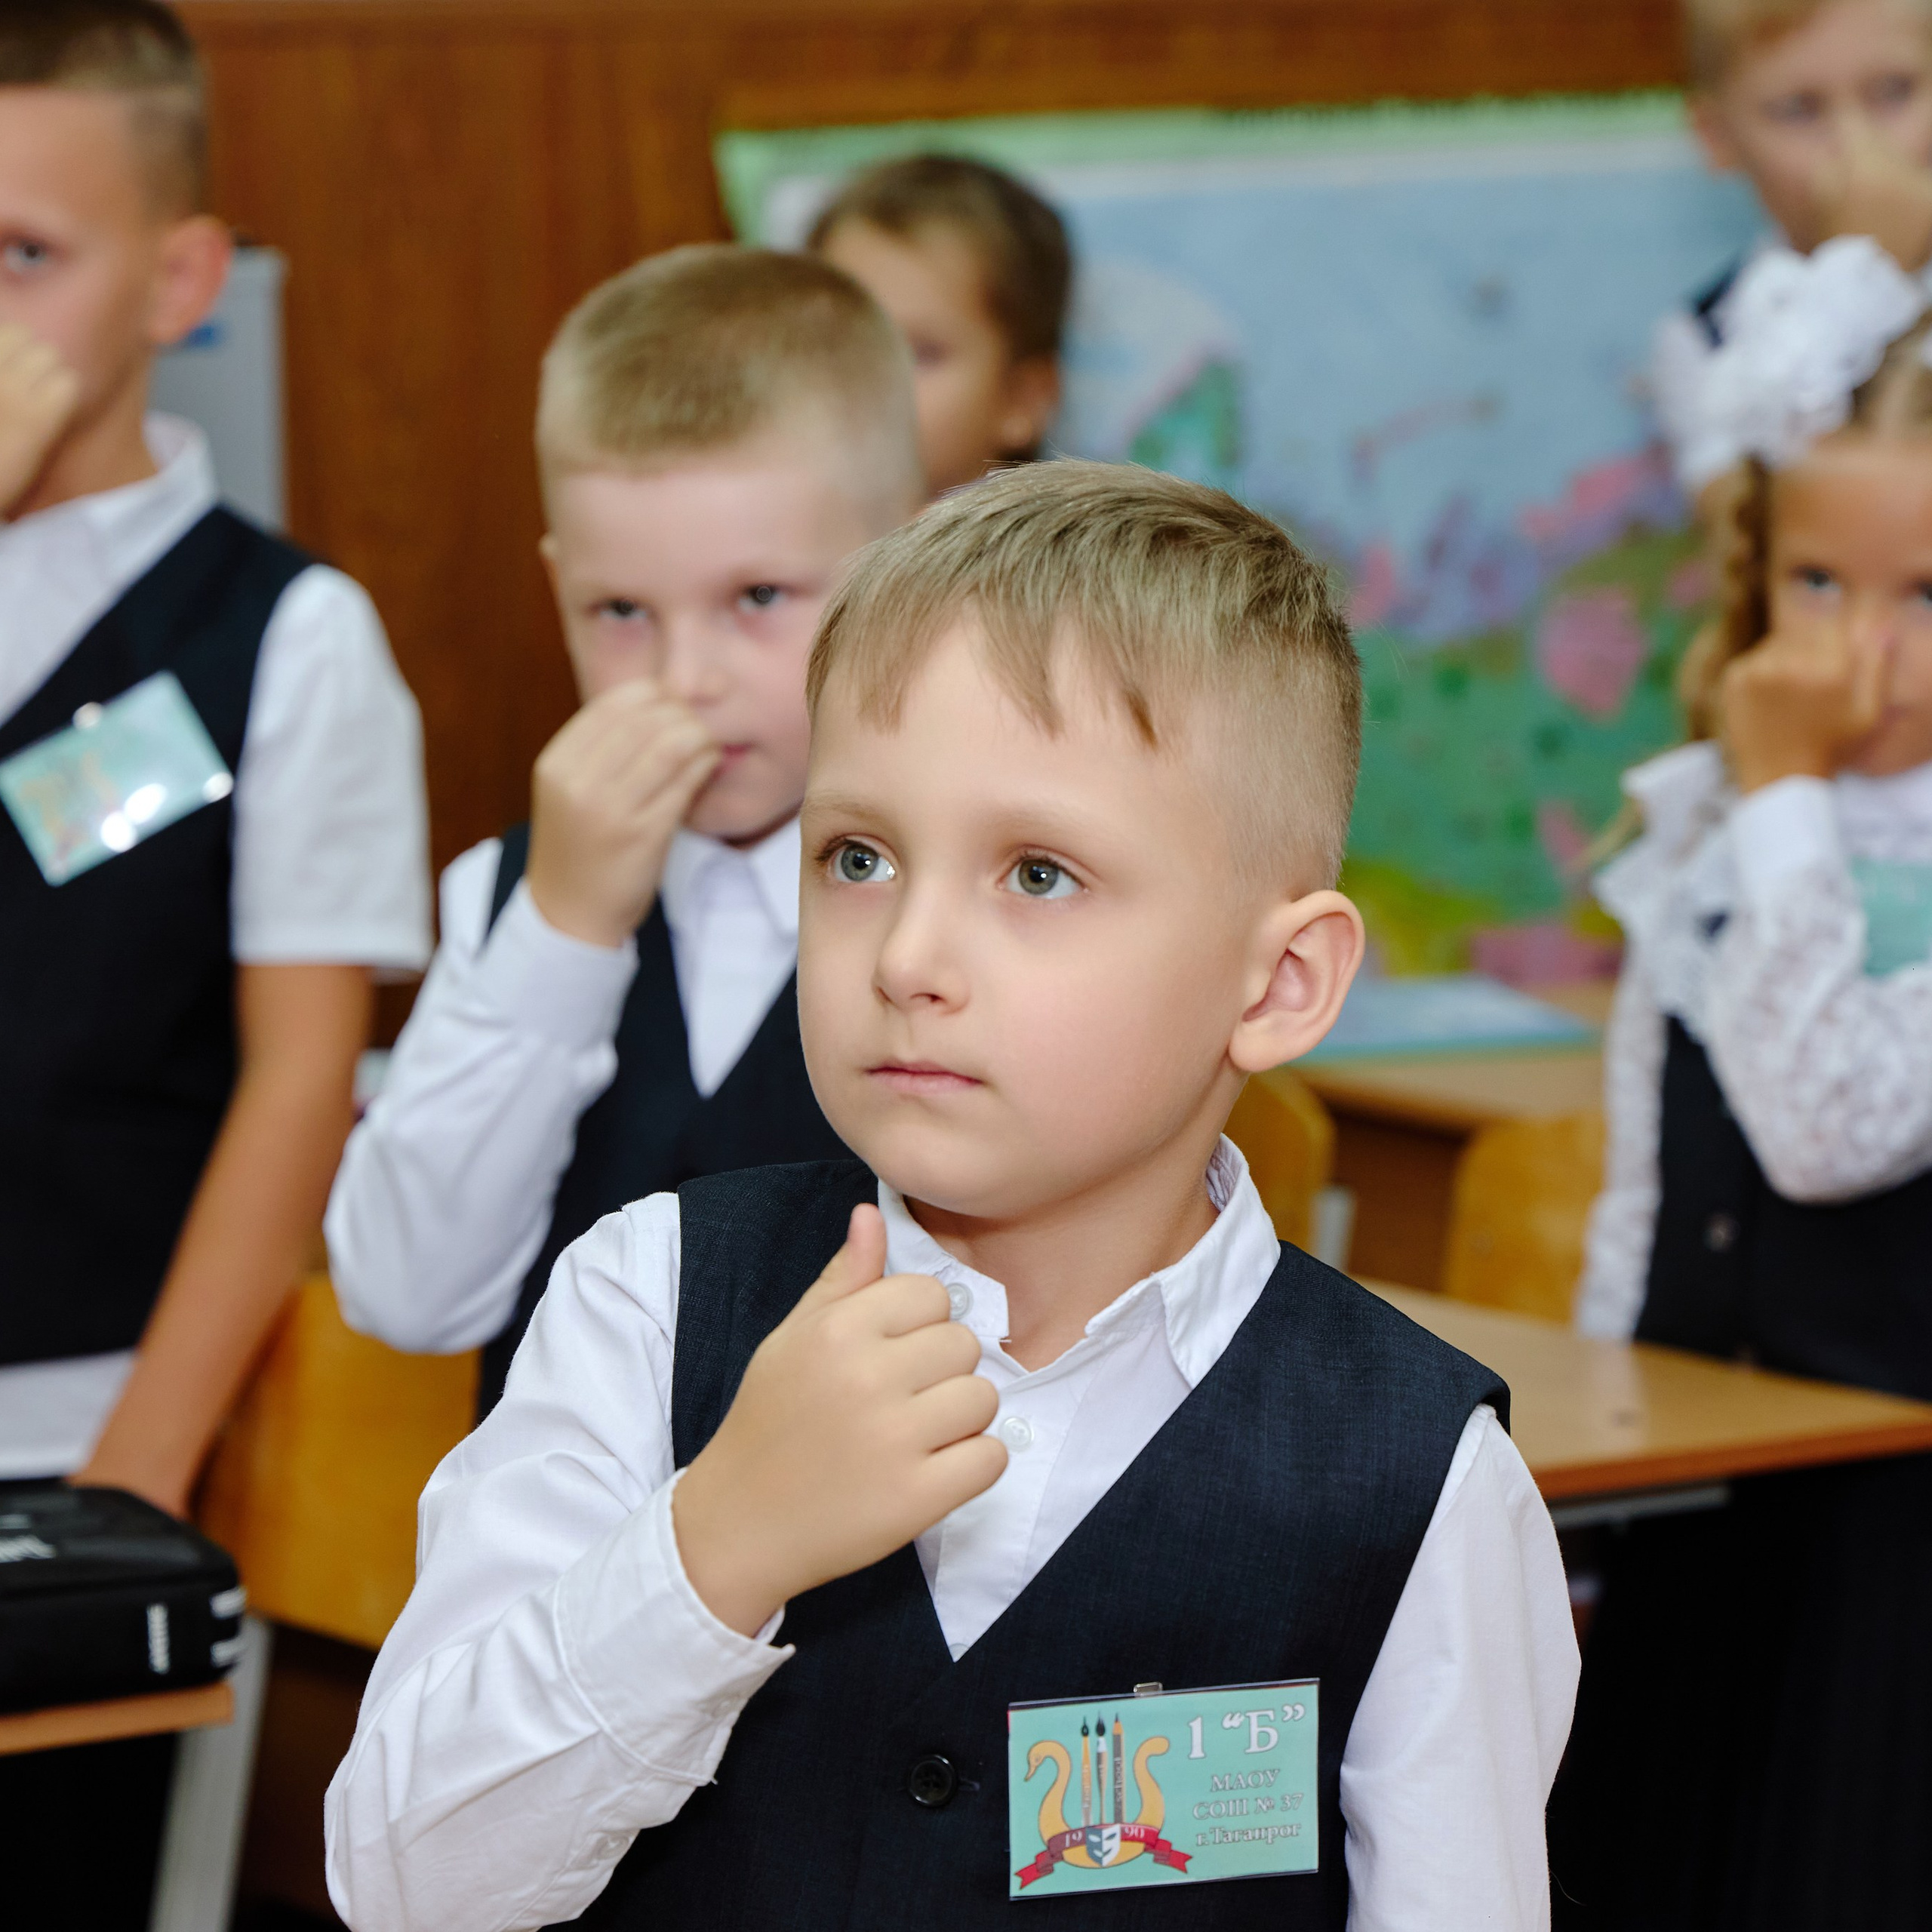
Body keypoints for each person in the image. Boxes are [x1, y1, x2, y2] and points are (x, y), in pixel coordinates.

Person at [325, 462, 1579, 1932]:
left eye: (1036, 873)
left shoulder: (1415, 1475)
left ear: (1278, 980)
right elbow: (402, 1877)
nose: (905, 949)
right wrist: (710, 1548)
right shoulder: (649, 1295)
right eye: (855, 855)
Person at [0, 0, 428, 1921]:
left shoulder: (284, 631)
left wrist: (125, 1488)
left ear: (179, 280)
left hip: (76, 1419)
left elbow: (297, 1079)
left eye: (22, 253)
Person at [325, 245, 922, 1412]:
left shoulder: (976, 894)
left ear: (913, 556)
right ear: (557, 587)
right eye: (620, 612)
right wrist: (563, 930)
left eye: (758, 598)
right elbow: (407, 1295)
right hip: (565, 1573)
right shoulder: (511, 893)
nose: (686, 677)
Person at [1558, 236, 1932, 1926]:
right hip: (1709, 1518)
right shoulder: (1712, 826)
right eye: (1819, 588)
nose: (1860, 656)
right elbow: (1646, 1183)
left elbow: (1825, 1127)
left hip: (1889, 1556)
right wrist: (1576, 1500)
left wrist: (1785, 802)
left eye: (1925, 596)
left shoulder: (1783, 821)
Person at [1656, 0, 1932, 494]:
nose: (1858, 145)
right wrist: (1862, 278)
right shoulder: (1708, 336)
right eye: (1799, 109)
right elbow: (1744, 532)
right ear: (1717, 136)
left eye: (1894, 92)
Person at [810, 152, 1067, 498]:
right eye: (839, 344)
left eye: (923, 354)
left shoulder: (1038, 553)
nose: (868, 378)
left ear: (1023, 399)